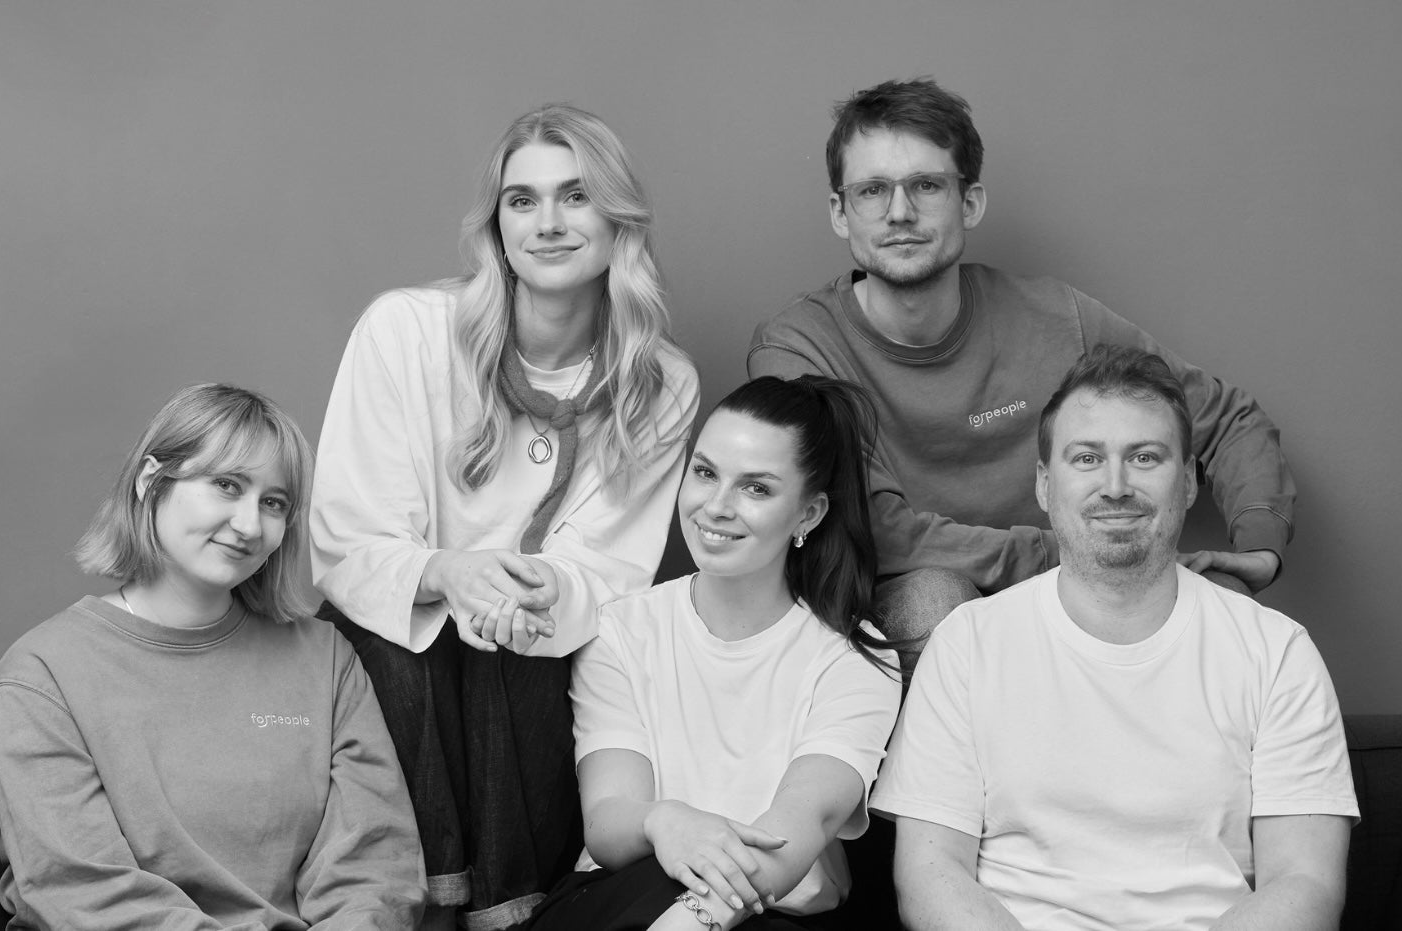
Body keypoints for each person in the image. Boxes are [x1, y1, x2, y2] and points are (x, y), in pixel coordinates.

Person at [747, 77, 1294, 672]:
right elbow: (881, 532)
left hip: (1072, 598)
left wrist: (1261, 544)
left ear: (970, 202)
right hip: (913, 603)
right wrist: (1074, 554)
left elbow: (1228, 420)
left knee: (1222, 601)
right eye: (872, 190)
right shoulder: (800, 347)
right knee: (939, 601)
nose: (899, 212)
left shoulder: (1054, 317)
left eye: (927, 185)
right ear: (840, 212)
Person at [310, 104, 699, 931]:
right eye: (523, 201)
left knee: (512, 652)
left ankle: (504, 913)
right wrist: (453, 573)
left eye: (576, 196)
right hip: (398, 648)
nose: (548, 223)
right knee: (412, 643)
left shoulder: (660, 381)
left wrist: (522, 593)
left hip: (532, 652)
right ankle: (421, 908)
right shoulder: (406, 331)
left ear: (617, 218)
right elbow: (352, 537)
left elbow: (606, 568)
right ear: (497, 225)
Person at [871, 346, 1356, 930]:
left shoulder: (1277, 652)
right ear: (1045, 484)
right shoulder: (966, 646)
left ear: (1189, 481)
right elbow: (929, 877)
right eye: (1087, 458)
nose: (1116, 485)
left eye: (1145, 457)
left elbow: (1305, 884)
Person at [0, 383, 425, 930]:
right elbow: (82, 893)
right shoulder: (42, 674)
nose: (249, 525)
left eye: (273, 503)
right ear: (151, 480)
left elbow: (376, 867)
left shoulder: (325, 658)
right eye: (226, 485)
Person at [526, 375, 903, 931]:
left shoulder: (854, 659)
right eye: (705, 473)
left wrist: (692, 920)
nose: (716, 507)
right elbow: (607, 824)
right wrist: (664, 821)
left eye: (757, 489)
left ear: (809, 513)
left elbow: (799, 826)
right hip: (619, 896)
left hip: (770, 911)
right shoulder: (621, 630)